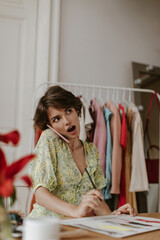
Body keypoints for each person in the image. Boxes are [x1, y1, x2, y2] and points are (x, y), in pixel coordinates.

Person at [29, 85, 136, 218]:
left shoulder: (91, 151)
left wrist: (115, 216)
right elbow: (40, 195)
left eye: (69, 111)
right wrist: (76, 210)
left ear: (77, 110)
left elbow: (96, 201)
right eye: (57, 119)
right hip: (44, 228)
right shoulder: (48, 139)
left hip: (75, 229)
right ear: (50, 126)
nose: (67, 121)